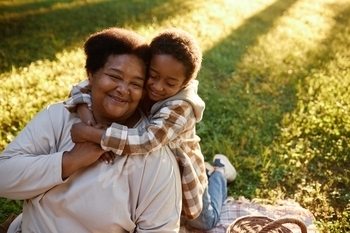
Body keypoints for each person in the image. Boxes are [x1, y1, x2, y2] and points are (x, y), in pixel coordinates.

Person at [0, 27, 182, 233]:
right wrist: (70, 160)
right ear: (91, 75)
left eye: (135, 83)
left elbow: (160, 229)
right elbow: (3, 177)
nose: (123, 89)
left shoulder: (154, 157)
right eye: (114, 77)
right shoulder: (60, 116)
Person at [64, 27, 237, 230]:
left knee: (204, 221)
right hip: (153, 170)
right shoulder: (140, 82)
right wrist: (86, 115)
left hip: (184, 171)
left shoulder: (182, 107)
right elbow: (85, 86)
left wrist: (92, 134)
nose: (157, 86)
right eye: (153, 75)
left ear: (184, 83)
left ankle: (219, 171)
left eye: (170, 83)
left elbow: (147, 140)